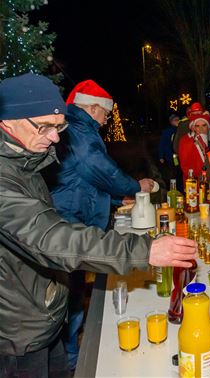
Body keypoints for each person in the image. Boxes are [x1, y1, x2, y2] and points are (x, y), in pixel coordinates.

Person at [0, 73, 197, 377]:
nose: (55, 138)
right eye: (45, 127)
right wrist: (144, 250)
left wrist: (118, 203)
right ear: (7, 123)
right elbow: (48, 238)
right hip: (17, 332)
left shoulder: (26, 159)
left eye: (58, 127)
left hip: (41, 313)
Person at [46, 79, 157, 370]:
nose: (107, 120)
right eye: (106, 114)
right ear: (93, 108)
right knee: (68, 301)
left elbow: (88, 185)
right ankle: (70, 364)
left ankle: (70, 358)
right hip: (69, 227)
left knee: (74, 295)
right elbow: (102, 172)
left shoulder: (80, 129)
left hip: (76, 222)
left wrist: (119, 202)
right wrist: (135, 186)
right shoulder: (79, 132)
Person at [178, 104, 210, 183]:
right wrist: (195, 180)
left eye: (204, 125)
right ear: (193, 128)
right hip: (193, 183)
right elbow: (185, 166)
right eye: (197, 126)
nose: (201, 129)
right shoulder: (185, 141)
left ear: (208, 127)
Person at [159, 113, 180, 184]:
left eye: (178, 119)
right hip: (171, 155)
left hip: (178, 155)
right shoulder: (167, 131)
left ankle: (177, 184)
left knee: (177, 170)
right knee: (172, 171)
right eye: (175, 120)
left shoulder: (180, 129)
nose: (177, 121)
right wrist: (161, 156)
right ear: (171, 122)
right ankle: (172, 186)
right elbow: (162, 144)